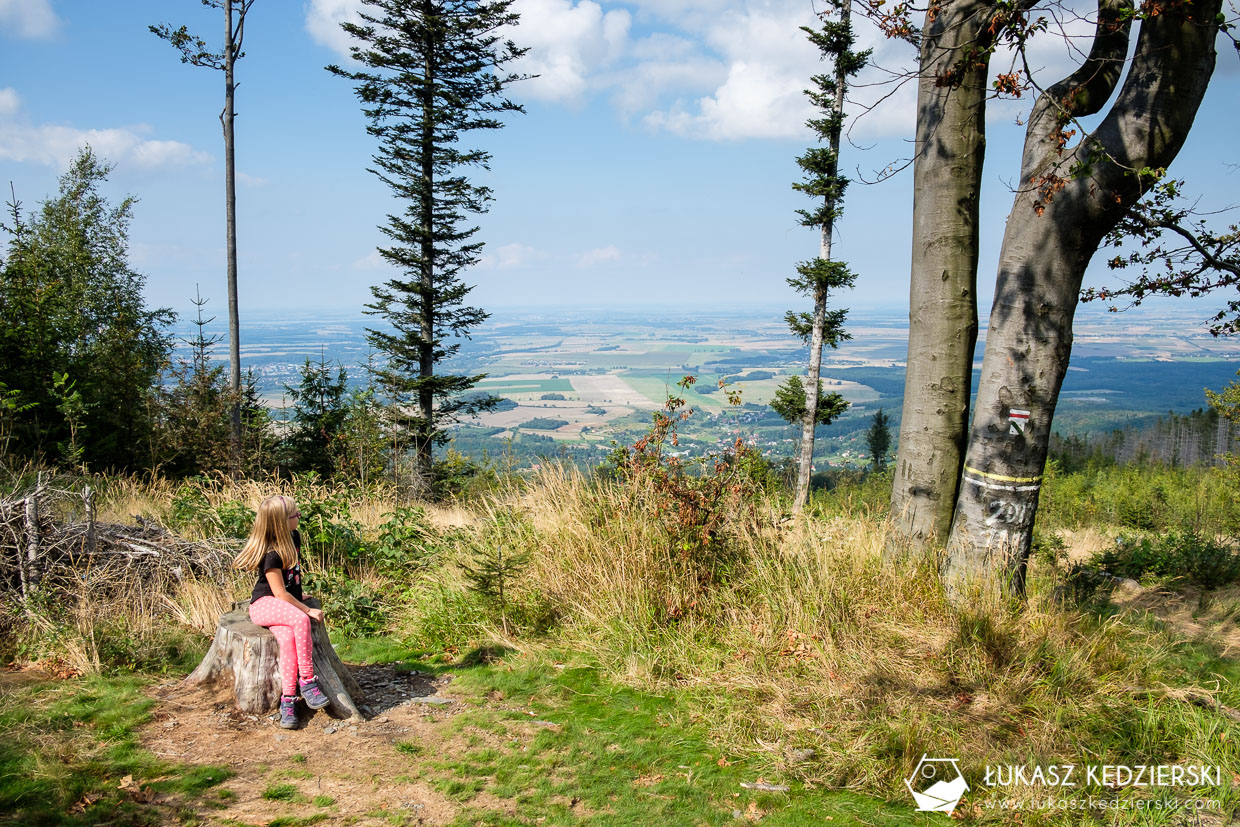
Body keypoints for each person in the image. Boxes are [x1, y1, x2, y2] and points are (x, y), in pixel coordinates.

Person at [234, 495, 330, 728]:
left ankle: (288, 699)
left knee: (287, 639)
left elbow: (292, 578)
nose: (298, 517)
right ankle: (307, 681)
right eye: (295, 515)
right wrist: (307, 609)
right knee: (300, 620)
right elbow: (278, 594)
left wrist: (299, 594)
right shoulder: (271, 555)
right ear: (281, 522)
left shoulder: (293, 537)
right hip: (265, 605)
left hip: (283, 602)